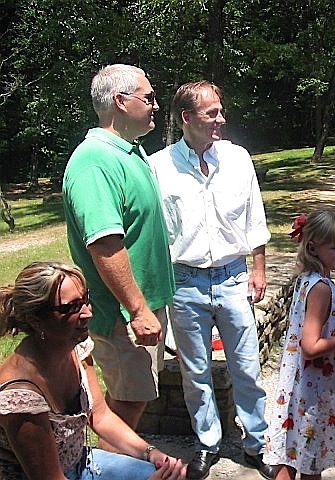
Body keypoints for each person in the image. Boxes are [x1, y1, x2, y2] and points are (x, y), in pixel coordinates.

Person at [148, 81, 273, 480]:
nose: (222, 119)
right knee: (195, 372)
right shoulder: (158, 167)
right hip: (184, 282)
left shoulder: (237, 159)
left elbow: (255, 215)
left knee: (247, 367)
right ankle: (207, 443)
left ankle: (258, 442)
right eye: (212, 113)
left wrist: (259, 267)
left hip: (234, 277)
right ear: (187, 118)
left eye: (221, 111)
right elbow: (153, 232)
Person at [62, 64, 175, 446]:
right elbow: (104, 243)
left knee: (131, 402)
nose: (156, 105)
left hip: (140, 308)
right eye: (149, 97)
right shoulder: (94, 162)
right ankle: (106, 467)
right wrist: (139, 311)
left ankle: (108, 464)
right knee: (128, 406)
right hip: (122, 316)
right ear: (120, 101)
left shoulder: (130, 151)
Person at [0, 262, 186, 480]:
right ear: (36, 320)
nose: (88, 313)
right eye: (71, 307)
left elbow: (100, 416)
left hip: (82, 464)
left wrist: (152, 454)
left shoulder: (76, 348)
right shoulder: (20, 397)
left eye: (86, 300)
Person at [264, 210, 335, 479]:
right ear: (313, 247)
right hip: (314, 391)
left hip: (302, 384)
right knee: (310, 462)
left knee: (293, 456)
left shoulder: (307, 280)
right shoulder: (321, 287)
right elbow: (311, 346)